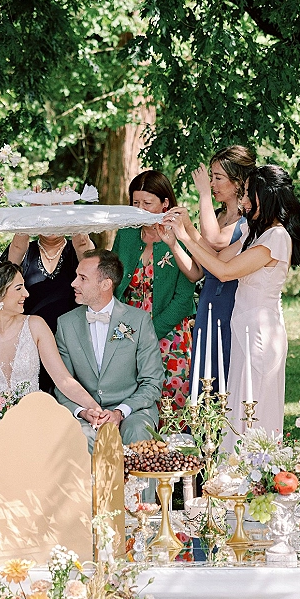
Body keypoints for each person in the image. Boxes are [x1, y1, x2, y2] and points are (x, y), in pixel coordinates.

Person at [165, 165, 300, 451]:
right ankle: (236, 477)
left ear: (263, 198)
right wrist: (180, 233)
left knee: (254, 409)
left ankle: (255, 474)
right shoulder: (254, 235)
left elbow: (225, 272)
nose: (242, 202)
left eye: (247, 196)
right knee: (237, 407)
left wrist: (184, 236)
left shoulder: (277, 237)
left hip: (260, 333)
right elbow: (213, 259)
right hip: (242, 327)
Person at [0, 259, 104, 453]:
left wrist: (96, 409)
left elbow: (63, 380)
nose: (26, 294)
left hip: (36, 420)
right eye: (19, 288)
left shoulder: (36, 326)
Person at [54, 249, 164, 464]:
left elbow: (152, 382)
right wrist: (84, 412)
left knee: (138, 431)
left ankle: (142, 499)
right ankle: (88, 499)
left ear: (105, 284)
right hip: (87, 413)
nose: (73, 283)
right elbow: (62, 383)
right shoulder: (65, 324)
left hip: (133, 410)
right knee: (80, 435)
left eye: (82, 278)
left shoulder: (139, 321)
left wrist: (120, 412)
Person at [111, 171, 196, 410]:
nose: (140, 208)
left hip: (169, 333)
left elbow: (184, 298)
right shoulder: (126, 234)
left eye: (147, 203)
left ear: (165, 203)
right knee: (128, 401)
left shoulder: (181, 237)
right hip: (127, 333)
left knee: (170, 402)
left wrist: (150, 333)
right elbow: (113, 283)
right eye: (135, 203)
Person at [5, 187, 95, 391]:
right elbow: (12, 264)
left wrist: (70, 209)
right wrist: (32, 209)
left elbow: (84, 247)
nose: (51, 220)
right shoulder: (26, 250)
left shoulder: (76, 249)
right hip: (29, 344)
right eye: (44, 214)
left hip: (72, 343)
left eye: (57, 214)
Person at [186, 146, 256, 387]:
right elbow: (199, 268)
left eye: (217, 178)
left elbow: (214, 240)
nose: (212, 184)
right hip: (208, 300)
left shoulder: (247, 222)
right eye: (211, 178)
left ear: (237, 183)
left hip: (230, 302)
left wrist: (203, 195)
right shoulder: (215, 216)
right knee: (203, 371)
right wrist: (175, 239)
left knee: (223, 370)